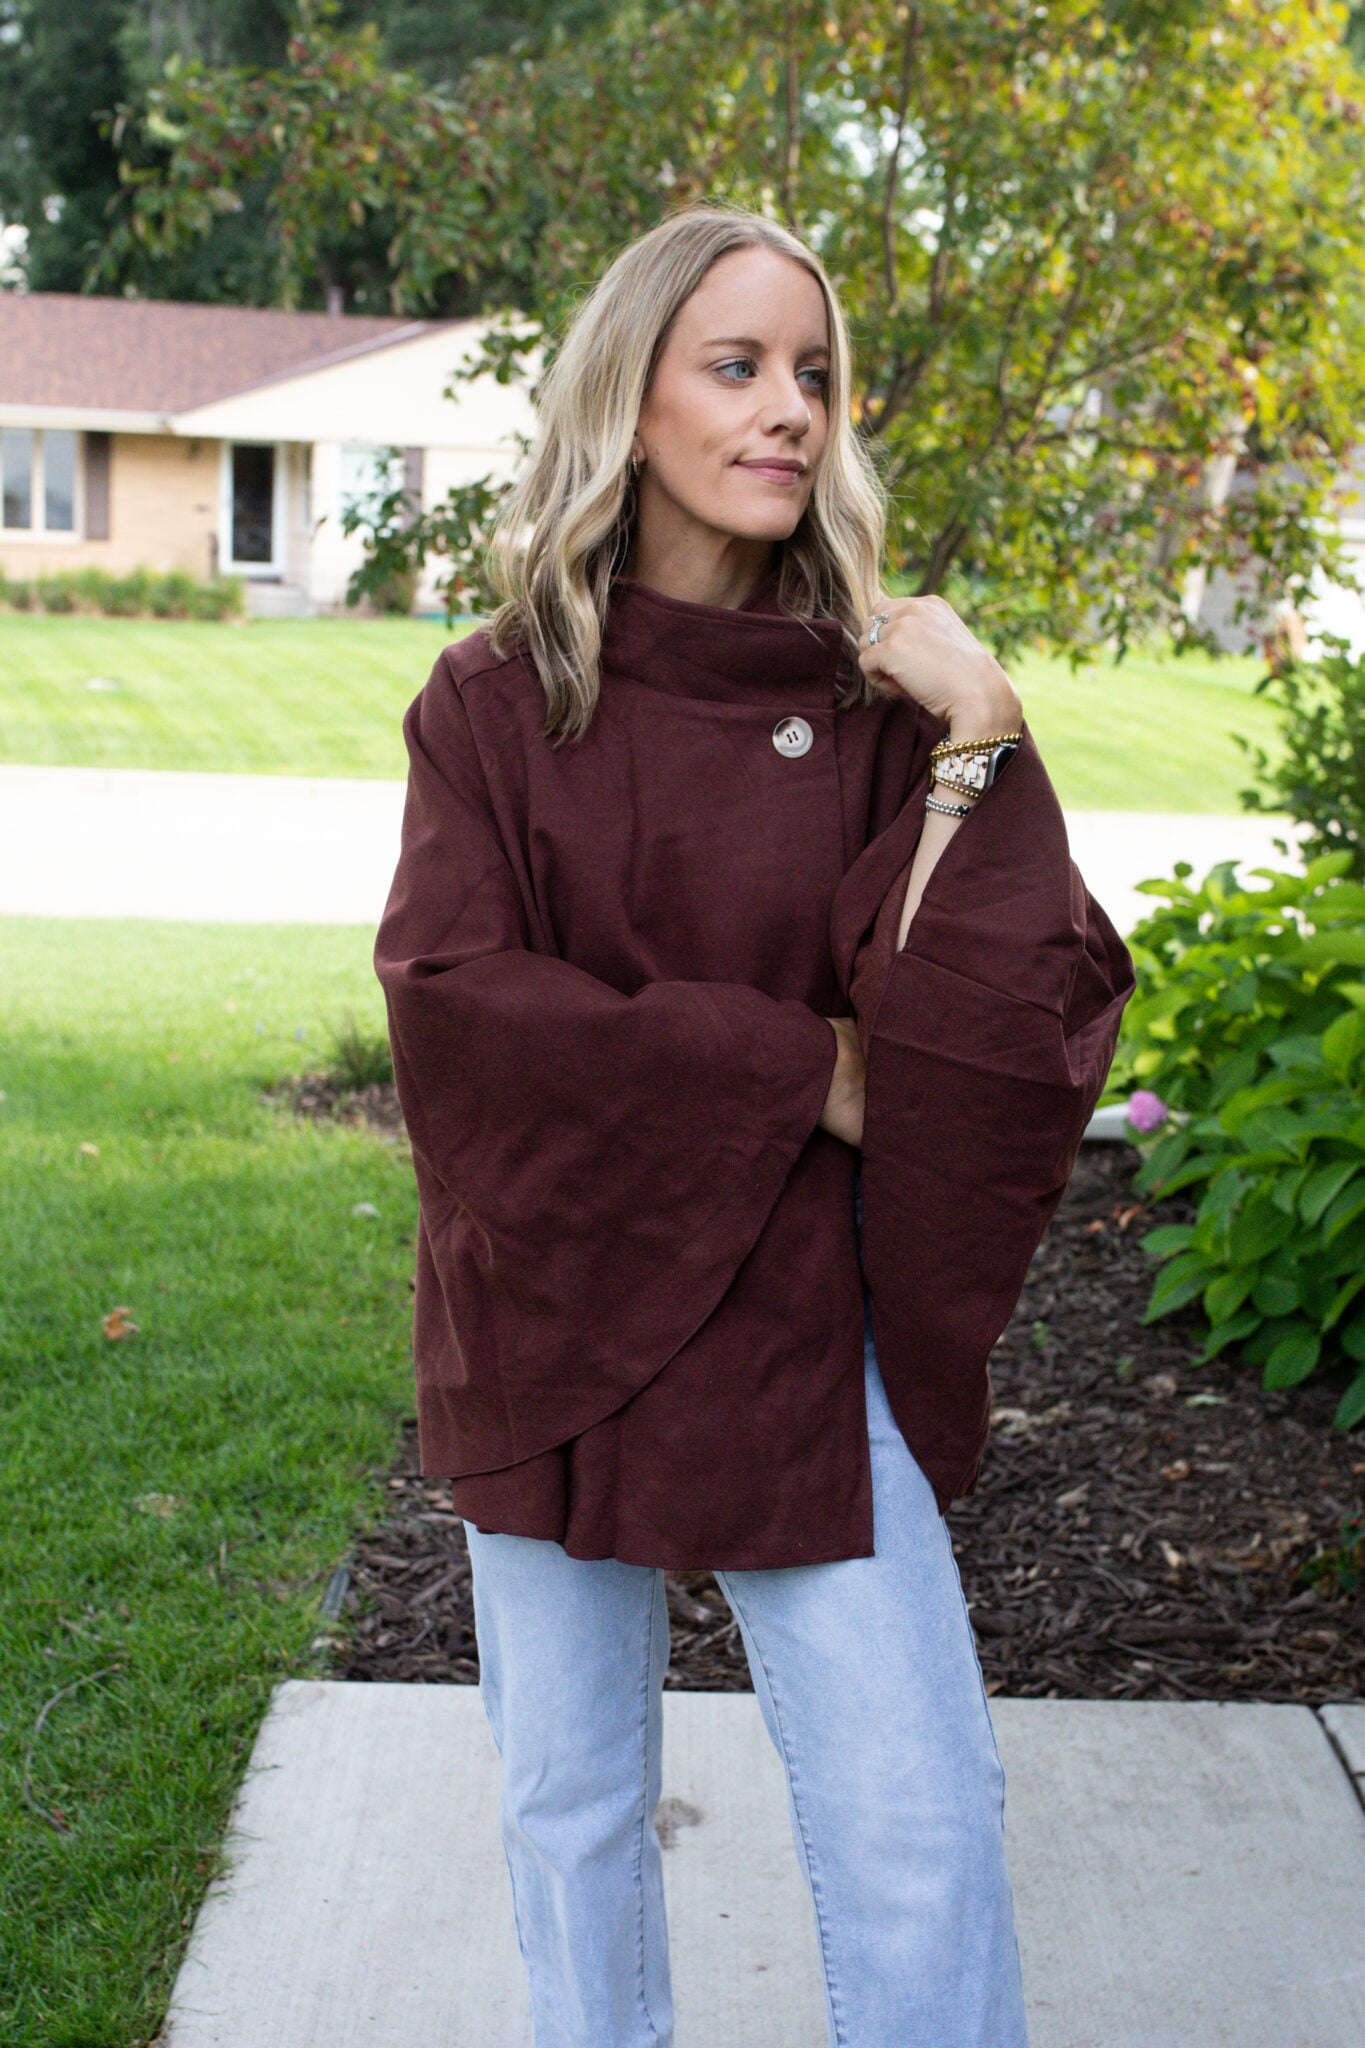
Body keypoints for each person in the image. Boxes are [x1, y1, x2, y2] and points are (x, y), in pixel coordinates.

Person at [375, 201, 1133, 2048]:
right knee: (568, 1810)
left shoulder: (875, 699)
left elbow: (968, 1001)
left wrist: (976, 732)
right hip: (551, 1308)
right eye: (737, 367)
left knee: (918, 1822)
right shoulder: (492, 699)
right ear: (630, 403)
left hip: (803, 1312)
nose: (790, 409)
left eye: (813, 375)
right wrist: (799, 1070)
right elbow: (461, 1010)